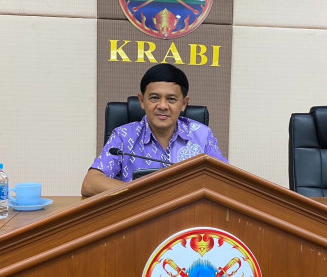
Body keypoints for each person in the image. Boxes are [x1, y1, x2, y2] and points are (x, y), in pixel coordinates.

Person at [81, 63, 227, 196]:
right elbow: (90, 183)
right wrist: (143, 194)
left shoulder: (202, 136)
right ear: (142, 101)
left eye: (171, 99)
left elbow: (225, 182)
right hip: (139, 212)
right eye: (154, 98)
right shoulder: (123, 136)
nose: (162, 106)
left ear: (184, 103)